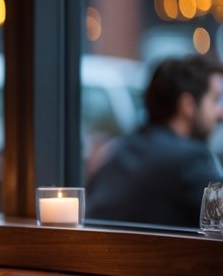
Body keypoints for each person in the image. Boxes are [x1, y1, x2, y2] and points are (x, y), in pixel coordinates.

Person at [87, 54, 223, 228]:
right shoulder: (189, 160)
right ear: (188, 105)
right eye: (215, 99)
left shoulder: (116, 151)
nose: (220, 112)